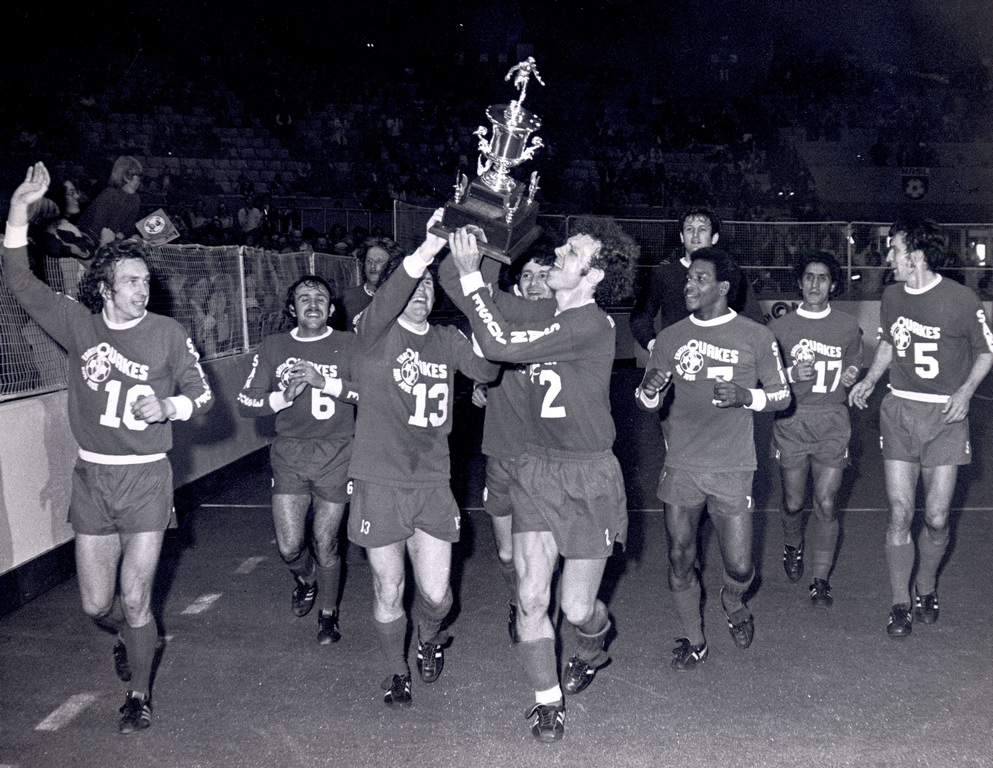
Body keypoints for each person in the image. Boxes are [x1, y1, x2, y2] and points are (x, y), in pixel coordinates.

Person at [3, 162, 214, 733]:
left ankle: (139, 694)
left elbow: (202, 397)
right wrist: (20, 213)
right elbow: (21, 284)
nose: (143, 290)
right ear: (104, 288)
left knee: (137, 595)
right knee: (98, 605)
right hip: (93, 478)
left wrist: (169, 407)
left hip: (147, 477)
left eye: (146, 281)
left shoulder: (169, 335)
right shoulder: (78, 326)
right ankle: (128, 635)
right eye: (131, 281)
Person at [447, 217, 638, 743]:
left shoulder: (593, 325)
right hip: (537, 469)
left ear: (594, 276)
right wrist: (476, 235)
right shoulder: (545, 310)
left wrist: (472, 280)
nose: (558, 252)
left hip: (589, 476)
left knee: (578, 608)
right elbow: (456, 286)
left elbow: (500, 343)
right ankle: (546, 702)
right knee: (532, 597)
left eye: (572, 251)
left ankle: (595, 642)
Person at [346, 212, 498, 710]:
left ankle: (429, 638)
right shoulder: (372, 332)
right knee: (388, 588)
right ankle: (397, 671)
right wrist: (427, 251)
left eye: (430, 288)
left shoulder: (447, 340)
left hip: (432, 480)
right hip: (378, 481)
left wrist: (476, 292)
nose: (421, 293)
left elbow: (488, 366)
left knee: (436, 597)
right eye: (412, 286)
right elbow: (394, 290)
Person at [636, 247, 789, 671]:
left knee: (740, 568)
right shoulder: (670, 337)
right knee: (680, 558)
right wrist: (650, 390)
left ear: (723, 287)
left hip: (733, 466)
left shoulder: (755, 335)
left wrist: (746, 396)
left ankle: (733, 600)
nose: (690, 284)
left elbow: (781, 396)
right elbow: (648, 401)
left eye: (700, 279)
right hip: (682, 464)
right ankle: (694, 637)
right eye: (689, 279)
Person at [849, 219, 993, 638]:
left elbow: (987, 351)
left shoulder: (961, 299)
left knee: (936, 517)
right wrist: (870, 380)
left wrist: (965, 392)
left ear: (916, 254)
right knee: (899, 510)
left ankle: (926, 585)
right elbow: (891, 345)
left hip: (945, 417)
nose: (888, 257)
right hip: (899, 411)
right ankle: (899, 603)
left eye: (894, 249)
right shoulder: (892, 295)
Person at [237, 275, 358, 644]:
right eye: (303, 298)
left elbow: (373, 395)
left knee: (326, 541)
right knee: (290, 547)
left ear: (332, 309)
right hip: (289, 452)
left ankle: (328, 612)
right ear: (292, 309)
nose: (313, 303)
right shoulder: (273, 346)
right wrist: (282, 396)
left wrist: (327, 383)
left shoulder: (351, 344)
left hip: (339, 451)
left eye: (320, 297)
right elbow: (246, 403)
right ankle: (306, 580)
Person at [468, 242, 556, 642]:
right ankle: (516, 599)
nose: (535, 283)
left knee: (540, 557)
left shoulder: (567, 326)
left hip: (548, 460)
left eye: (543, 274)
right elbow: (480, 362)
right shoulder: (499, 323)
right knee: (506, 554)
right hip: (502, 453)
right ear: (517, 286)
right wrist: (480, 383)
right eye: (527, 276)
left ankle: (535, 611)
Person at [768, 252, 864, 607]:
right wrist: (792, 375)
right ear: (799, 282)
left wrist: (853, 374)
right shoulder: (779, 329)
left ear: (833, 285)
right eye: (809, 277)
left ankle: (820, 578)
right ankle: (793, 544)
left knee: (825, 503)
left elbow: (855, 360)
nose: (814, 284)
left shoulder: (846, 326)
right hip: (792, 420)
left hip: (832, 421)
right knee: (794, 502)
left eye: (822, 278)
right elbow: (766, 378)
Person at [629, 207, 764, 355]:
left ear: (714, 238)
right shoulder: (662, 274)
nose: (695, 235)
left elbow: (754, 320)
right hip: (677, 364)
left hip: (719, 365)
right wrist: (652, 343)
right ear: (681, 237)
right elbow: (640, 317)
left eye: (702, 229)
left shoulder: (733, 275)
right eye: (689, 229)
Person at [78, 155, 143, 247]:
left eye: (138, 177)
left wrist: (128, 237)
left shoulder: (136, 199)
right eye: (130, 176)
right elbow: (96, 229)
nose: (136, 182)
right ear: (120, 175)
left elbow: (127, 229)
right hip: (87, 243)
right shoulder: (108, 195)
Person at [340, 236, 399, 330]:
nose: (373, 266)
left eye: (379, 261)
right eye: (369, 261)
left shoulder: (400, 297)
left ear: (391, 265)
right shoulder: (347, 298)